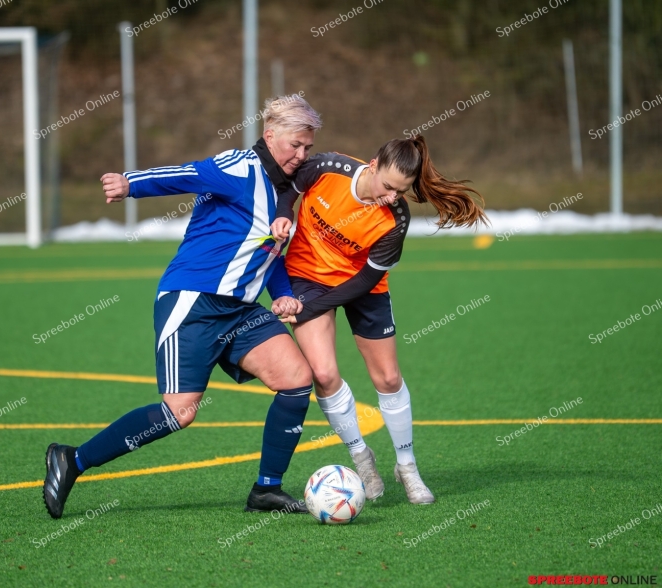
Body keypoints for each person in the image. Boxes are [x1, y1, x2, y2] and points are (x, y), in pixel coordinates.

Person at [43, 95, 322, 519]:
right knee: (179, 412)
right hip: (193, 301)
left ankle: (267, 489)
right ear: (269, 136)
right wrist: (131, 183)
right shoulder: (240, 168)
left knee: (297, 380)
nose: (301, 155)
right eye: (294, 145)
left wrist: (281, 292)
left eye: (308, 147)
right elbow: (187, 174)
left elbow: (269, 252)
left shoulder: (287, 191)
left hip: (241, 310)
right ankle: (72, 459)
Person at [270, 135, 487, 504]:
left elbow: (366, 280)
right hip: (307, 274)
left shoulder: (396, 219)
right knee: (323, 374)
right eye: (387, 186)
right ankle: (361, 458)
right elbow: (290, 189)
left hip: (361, 285)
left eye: (400, 191)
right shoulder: (327, 168)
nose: (391, 197)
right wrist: (283, 213)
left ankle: (407, 466)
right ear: (372, 165)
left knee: (387, 377)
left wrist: (308, 309)